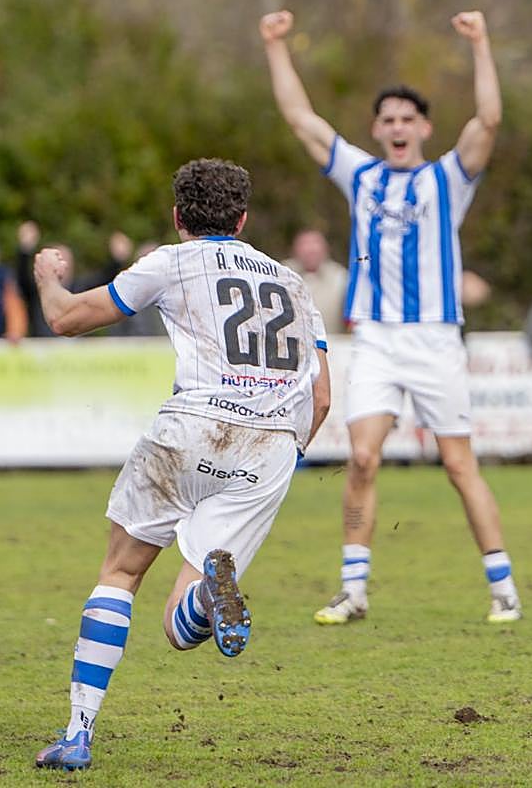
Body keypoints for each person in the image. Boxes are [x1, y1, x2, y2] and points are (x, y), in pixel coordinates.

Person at [32, 158, 331, 771]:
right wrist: (287, 456)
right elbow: (322, 397)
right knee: (178, 624)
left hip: (191, 427)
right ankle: (203, 601)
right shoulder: (292, 282)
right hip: (271, 443)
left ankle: (78, 734)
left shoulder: (171, 261)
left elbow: (65, 318)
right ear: (243, 219)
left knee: (120, 572)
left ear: (177, 216)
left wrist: (44, 276)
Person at [261, 8, 522, 624]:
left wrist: (482, 42)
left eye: (408, 118)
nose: (398, 127)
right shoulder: (363, 176)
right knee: (363, 459)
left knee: (460, 466)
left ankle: (502, 586)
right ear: (377, 130)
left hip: (435, 339)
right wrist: (275, 47)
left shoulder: (448, 180)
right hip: (376, 338)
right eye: (388, 120)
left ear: (425, 127)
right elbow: (301, 119)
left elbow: (489, 119)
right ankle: (354, 589)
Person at [15, 221, 134, 336]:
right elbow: (22, 279)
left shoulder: (82, 287)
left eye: (65, 259)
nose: (63, 264)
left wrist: (117, 260)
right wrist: (25, 250)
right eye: (58, 259)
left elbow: (104, 279)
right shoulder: (37, 291)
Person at [282, 229, 349, 334]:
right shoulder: (282, 273)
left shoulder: (341, 277)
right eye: (304, 244)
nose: (310, 250)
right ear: (294, 249)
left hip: (334, 346)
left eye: (315, 244)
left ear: (326, 250)